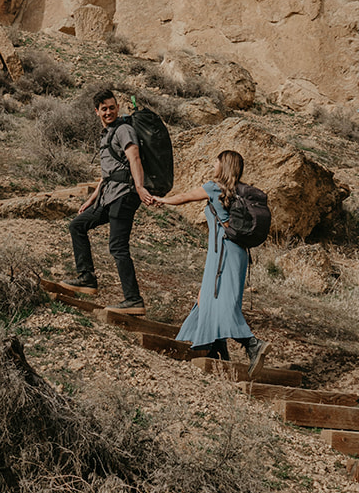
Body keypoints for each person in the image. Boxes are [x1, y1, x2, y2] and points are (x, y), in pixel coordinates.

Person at [147, 150, 269, 377]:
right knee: (206, 299)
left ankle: (252, 344)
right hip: (233, 252)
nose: (213, 164)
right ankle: (216, 348)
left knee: (221, 303)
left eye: (216, 161)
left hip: (224, 252)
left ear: (223, 166)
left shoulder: (215, 187)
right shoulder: (235, 191)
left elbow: (185, 197)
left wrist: (162, 200)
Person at [63, 89, 151, 313]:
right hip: (108, 196)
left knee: (118, 247)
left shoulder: (123, 130)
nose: (109, 112)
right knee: (77, 225)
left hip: (125, 195)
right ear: (96, 112)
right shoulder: (107, 133)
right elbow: (108, 173)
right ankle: (87, 278)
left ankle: (133, 300)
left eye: (112, 107)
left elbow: (135, 158)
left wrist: (140, 187)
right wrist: (92, 199)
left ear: (117, 107)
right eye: (104, 109)